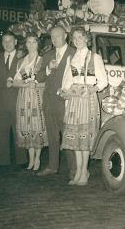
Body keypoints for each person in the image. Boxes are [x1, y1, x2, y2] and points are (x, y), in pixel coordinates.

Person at [60, 26, 108, 185]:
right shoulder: (71, 58)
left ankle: (83, 172)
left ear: (86, 38)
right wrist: (64, 92)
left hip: (87, 100)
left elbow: (103, 82)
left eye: (80, 37)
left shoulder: (95, 57)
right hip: (74, 100)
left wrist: (91, 90)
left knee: (84, 138)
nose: (77, 41)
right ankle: (80, 171)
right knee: (75, 138)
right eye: (74, 38)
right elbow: (67, 81)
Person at [35, 26, 76, 177]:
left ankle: (74, 169)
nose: (54, 39)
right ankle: (53, 166)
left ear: (65, 36)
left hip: (65, 102)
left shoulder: (74, 53)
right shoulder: (48, 55)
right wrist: (47, 69)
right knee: (52, 136)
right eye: (52, 37)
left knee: (68, 136)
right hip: (49, 101)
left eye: (57, 36)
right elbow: (39, 77)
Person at [0, 31, 26, 167]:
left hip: (17, 101)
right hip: (0, 102)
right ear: (1, 43)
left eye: (10, 41)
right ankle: (2, 161)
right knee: (1, 132)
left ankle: (22, 160)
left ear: (15, 42)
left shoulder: (23, 58)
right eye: (4, 41)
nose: (7, 44)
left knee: (18, 131)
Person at [8, 33, 48, 171]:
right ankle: (31, 159)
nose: (31, 45)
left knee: (37, 127)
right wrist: (23, 84)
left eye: (34, 42)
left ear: (38, 44)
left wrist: (36, 85)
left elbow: (47, 82)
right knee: (27, 126)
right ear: (25, 44)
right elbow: (15, 81)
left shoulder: (43, 61)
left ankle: (38, 158)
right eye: (28, 42)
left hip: (37, 96)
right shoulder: (21, 61)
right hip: (24, 97)